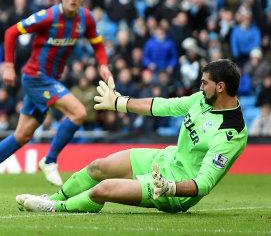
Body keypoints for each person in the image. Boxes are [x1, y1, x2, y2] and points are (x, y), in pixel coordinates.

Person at [16, 59, 247, 214]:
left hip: (175, 189)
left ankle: (56, 208)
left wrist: (170, 187)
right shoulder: (202, 99)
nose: (201, 86)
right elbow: (163, 105)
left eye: (205, 83)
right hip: (165, 159)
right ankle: (54, 197)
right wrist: (120, 102)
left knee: (102, 189)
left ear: (220, 87)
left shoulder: (231, 133)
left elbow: (204, 184)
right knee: (98, 167)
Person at [0, 0, 112, 192]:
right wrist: (8, 65)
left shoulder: (86, 19)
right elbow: (11, 33)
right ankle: (50, 160)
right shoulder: (48, 17)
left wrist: (103, 65)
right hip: (35, 77)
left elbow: (97, 44)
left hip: (50, 80)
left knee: (22, 135)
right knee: (78, 112)